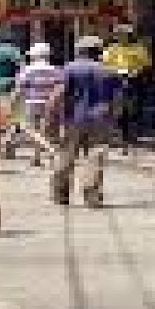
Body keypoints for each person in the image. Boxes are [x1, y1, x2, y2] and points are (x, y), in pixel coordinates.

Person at [45, 36, 123, 207]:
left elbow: (57, 95)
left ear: (80, 51)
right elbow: (117, 101)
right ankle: (92, 195)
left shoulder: (69, 69)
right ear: (99, 52)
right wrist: (114, 121)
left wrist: (50, 119)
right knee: (95, 156)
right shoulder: (110, 71)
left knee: (66, 156)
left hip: (73, 118)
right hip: (100, 120)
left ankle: (61, 193)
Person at [11, 42, 60, 166]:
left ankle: (50, 150)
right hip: (50, 103)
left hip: (32, 102)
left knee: (29, 129)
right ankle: (36, 157)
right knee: (44, 131)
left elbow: (19, 89)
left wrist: (14, 103)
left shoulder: (27, 70)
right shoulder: (55, 70)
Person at [102, 24, 152, 146]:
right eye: (119, 35)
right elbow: (105, 64)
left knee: (132, 108)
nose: (122, 37)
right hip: (115, 80)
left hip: (133, 80)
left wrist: (136, 71)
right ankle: (116, 134)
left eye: (125, 35)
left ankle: (131, 134)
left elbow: (146, 64)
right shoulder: (111, 49)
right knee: (116, 107)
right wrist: (114, 72)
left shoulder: (139, 49)